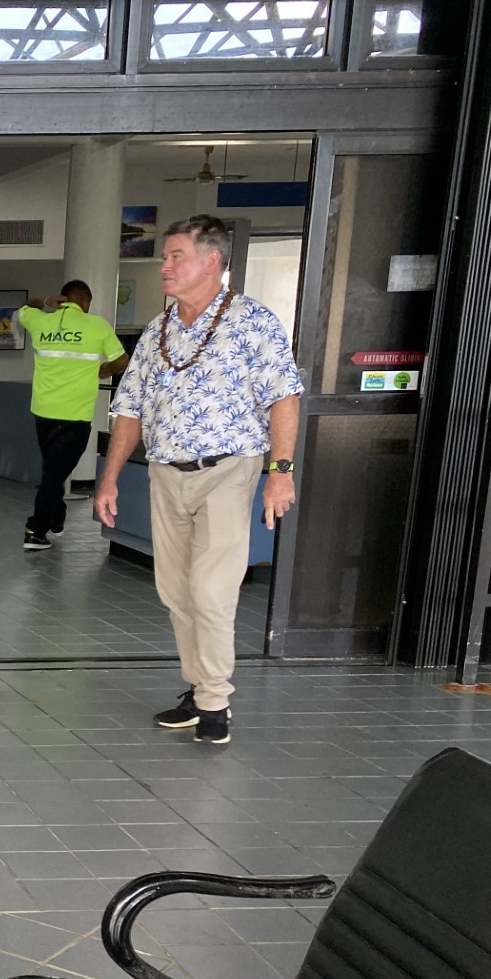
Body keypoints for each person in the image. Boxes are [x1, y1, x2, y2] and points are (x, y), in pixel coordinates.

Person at [96, 214, 303, 746]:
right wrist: (110, 478)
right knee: (175, 589)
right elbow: (129, 409)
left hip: (228, 471)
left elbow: (284, 397)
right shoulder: (157, 330)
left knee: (211, 589)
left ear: (212, 261)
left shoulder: (253, 322)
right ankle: (198, 687)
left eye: (175, 256)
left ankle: (215, 700)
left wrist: (280, 473)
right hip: (167, 473)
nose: (164, 266)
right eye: (165, 257)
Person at [16, 280, 127, 551]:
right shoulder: (97, 326)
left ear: (63, 299)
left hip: (42, 412)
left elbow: (23, 308)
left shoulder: (41, 322)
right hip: (75, 417)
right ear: (86, 302)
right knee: (54, 475)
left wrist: (45, 302)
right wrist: (104, 369)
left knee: (54, 471)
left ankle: (57, 515)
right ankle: (35, 530)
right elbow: (123, 360)